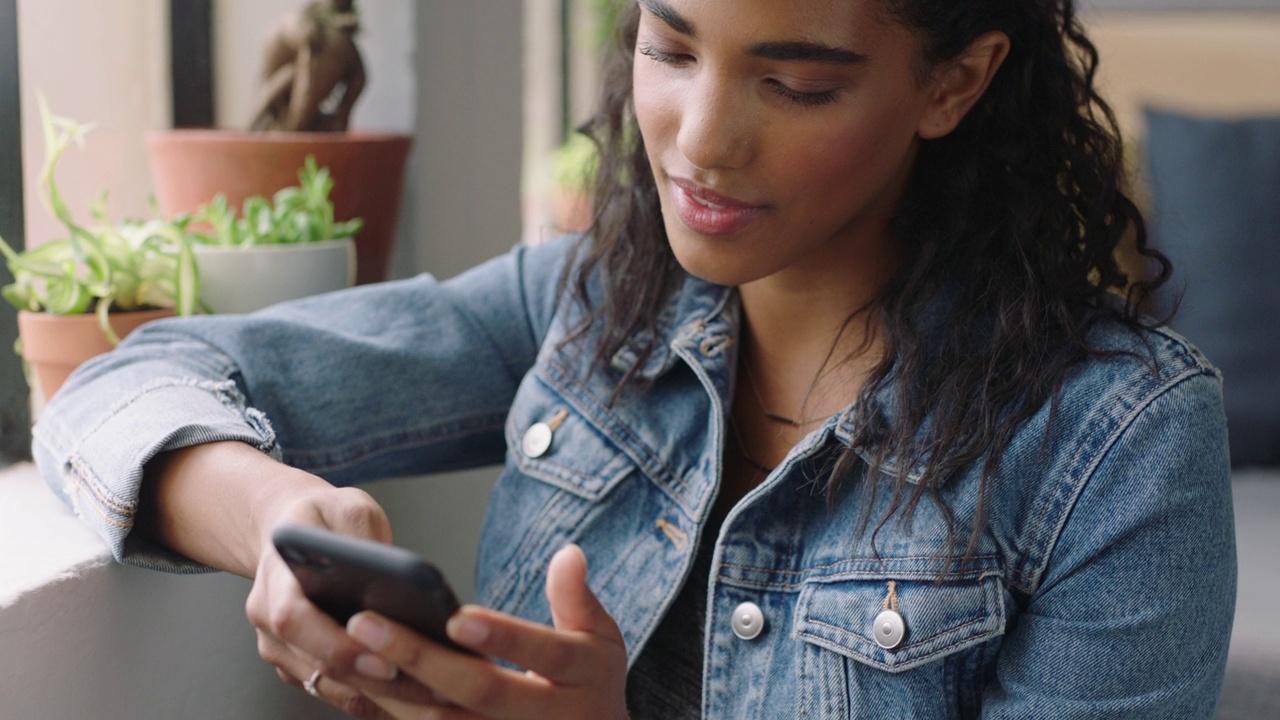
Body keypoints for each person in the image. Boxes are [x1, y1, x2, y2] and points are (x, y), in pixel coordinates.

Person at [33, 0, 1235, 718]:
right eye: (668, 47)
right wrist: (281, 519)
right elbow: (118, 386)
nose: (701, 141)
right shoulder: (588, 304)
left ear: (954, 81)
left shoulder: (1115, 439)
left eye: (795, 81)